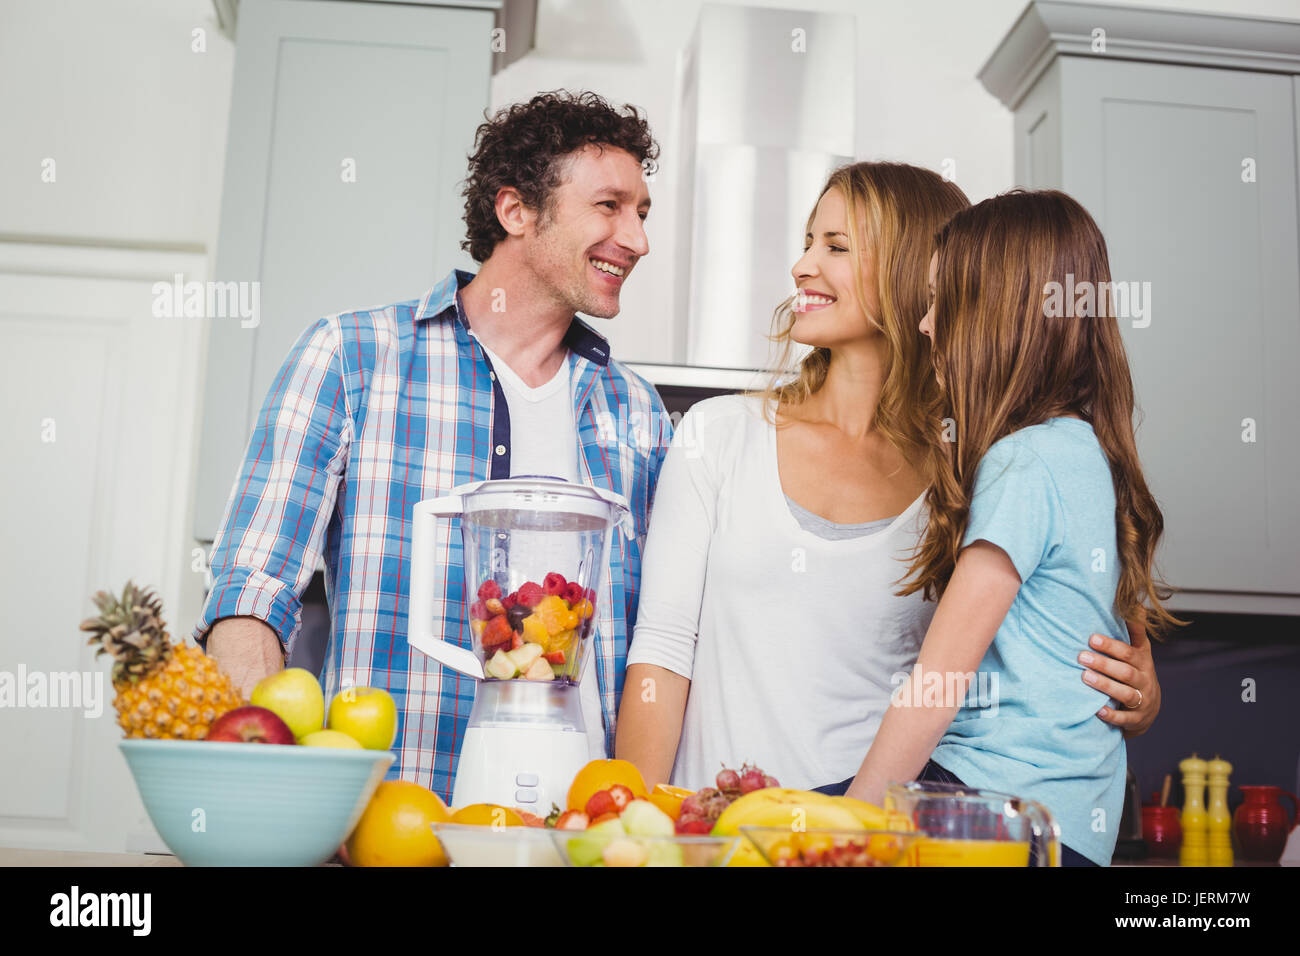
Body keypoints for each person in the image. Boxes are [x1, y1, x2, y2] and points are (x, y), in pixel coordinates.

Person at [616, 164, 1161, 796]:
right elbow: (661, 647)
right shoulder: (717, 434)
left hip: (882, 832)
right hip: (718, 832)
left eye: (837, 247)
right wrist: (639, 825)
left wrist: (1139, 691)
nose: (802, 266)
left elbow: (1078, 621)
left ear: (923, 278)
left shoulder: (977, 466)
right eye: (808, 241)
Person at [194, 91, 672, 799]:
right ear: (516, 212)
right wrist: (274, 793)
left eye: (641, 212)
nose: (637, 239)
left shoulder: (636, 412)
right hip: (388, 827)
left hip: (580, 834)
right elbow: (249, 596)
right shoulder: (353, 359)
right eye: (609, 207)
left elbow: (660, 643)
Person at [844, 189, 1180, 867]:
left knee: (765, 832)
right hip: (1072, 829)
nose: (926, 324)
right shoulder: (1085, 452)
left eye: (941, 302)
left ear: (997, 317)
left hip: (997, 812)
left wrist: (847, 831)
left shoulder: (1022, 461)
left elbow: (935, 687)